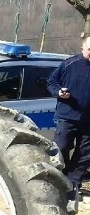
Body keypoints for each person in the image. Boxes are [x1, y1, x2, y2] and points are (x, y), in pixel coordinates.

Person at [47, 36, 90, 189]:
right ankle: (59, 179)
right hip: (67, 116)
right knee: (61, 147)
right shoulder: (70, 64)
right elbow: (51, 82)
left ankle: (73, 184)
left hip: (88, 121)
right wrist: (59, 92)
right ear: (82, 49)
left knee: (85, 154)